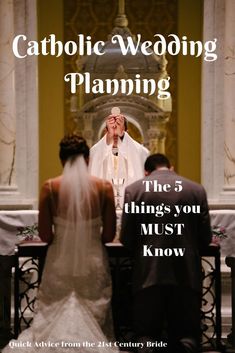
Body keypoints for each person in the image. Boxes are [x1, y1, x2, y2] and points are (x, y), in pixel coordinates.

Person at [3, 135, 118, 353]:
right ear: (87, 159)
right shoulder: (104, 187)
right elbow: (109, 235)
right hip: (92, 258)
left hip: (60, 260)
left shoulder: (50, 187)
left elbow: (45, 235)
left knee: (58, 305)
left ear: (61, 159)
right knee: (91, 303)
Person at [120, 153, 212, 353]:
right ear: (171, 167)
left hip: (148, 274)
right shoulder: (196, 190)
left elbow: (126, 239)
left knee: (146, 337)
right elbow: (205, 238)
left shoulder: (133, 191)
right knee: (186, 337)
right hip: (185, 273)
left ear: (146, 172)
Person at [89, 114, 149, 188]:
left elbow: (142, 154)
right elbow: (93, 156)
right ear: (106, 131)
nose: (115, 133)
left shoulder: (136, 150)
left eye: (119, 130)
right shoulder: (97, 152)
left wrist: (122, 136)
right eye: (112, 129)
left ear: (126, 131)